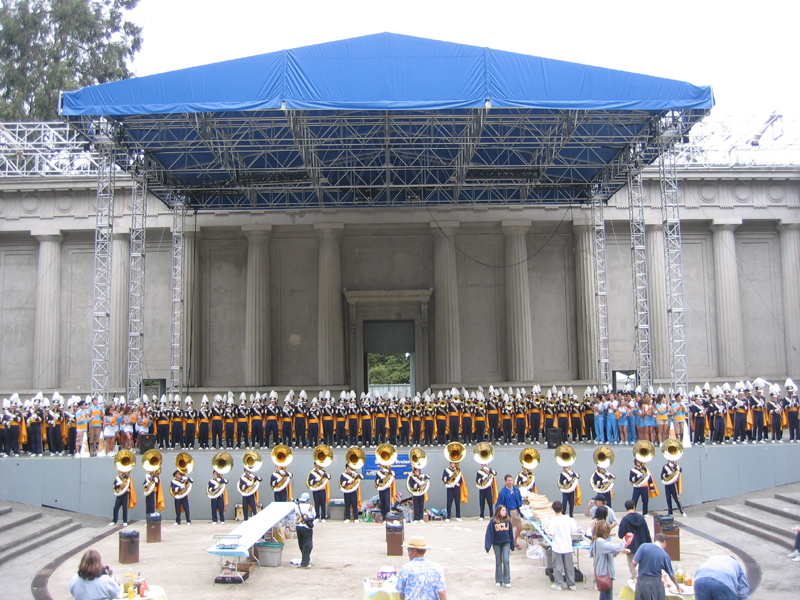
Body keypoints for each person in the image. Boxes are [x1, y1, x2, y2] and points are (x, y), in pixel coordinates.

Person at [632, 534, 680, 600]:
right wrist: (677, 586)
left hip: (641, 583)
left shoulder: (643, 546)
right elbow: (672, 575)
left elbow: (634, 563)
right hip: (656, 584)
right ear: (664, 542)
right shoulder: (664, 555)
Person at [593, 520, 630, 600]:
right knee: (608, 596)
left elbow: (611, 553)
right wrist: (625, 541)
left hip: (603, 572)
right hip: (605, 573)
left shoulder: (598, 541)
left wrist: (620, 550)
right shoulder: (601, 542)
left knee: (603, 596)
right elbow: (615, 547)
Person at [545, 500, 578, 591]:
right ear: (562, 509)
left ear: (553, 510)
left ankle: (559, 584)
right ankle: (571, 584)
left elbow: (551, 534)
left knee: (558, 566)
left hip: (557, 546)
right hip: (567, 545)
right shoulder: (568, 519)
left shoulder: (553, 520)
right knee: (569, 566)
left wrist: (546, 531)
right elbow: (574, 530)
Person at [617, 499, 651, 579]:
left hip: (631, 547)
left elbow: (621, 535)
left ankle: (635, 579)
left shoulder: (625, 519)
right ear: (634, 507)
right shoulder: (641, 518)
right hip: (642, 546)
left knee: (632, 566)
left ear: (626, 508)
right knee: (642, 565)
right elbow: (647, 532)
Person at [484, 505, 513, 588]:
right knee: (498, 561)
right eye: (502, 510)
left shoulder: (508, 521)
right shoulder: (493, 522)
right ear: (498, 511)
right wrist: (488, 546)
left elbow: (510, 533)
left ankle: (507, 580)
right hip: (497, 543)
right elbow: (489, 534)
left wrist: (512, 546)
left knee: (506, 560)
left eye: (505, 510)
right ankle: (498, 580)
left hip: (506, 543)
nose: (504, 512)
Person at [495, 474, 524, 550]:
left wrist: (522, 504)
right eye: (509, 480)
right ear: (505, 481)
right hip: (508, 512)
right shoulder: (502, 492)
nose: (510, 482)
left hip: (516, 511)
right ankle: (508, 547)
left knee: (520, 527)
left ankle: (514, 541)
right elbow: (499, 504)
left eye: (511, 480)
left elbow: (520, 499)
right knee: (507, 530)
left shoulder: (516, 490)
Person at [296, 493, 315, 568]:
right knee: (307, 545)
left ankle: (306, 559)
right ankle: (305, 563)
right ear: (308, 500)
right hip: (307, 527)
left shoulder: (297, 506)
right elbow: (313, 515)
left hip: (298, 527)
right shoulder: (310, 507)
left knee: (301, 544)